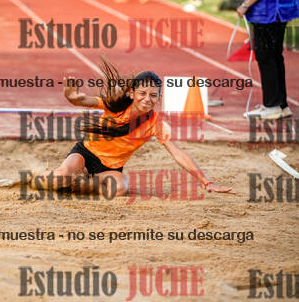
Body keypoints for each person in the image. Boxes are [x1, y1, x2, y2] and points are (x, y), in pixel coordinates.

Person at [30, 60, 235, 198]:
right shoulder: (115, 105)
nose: (147, 99)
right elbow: (82, 100)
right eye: (142, 93)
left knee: (120, 189)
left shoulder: (155, 123)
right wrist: (71, 96)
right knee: (60, 178)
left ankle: (83, 183)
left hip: (109, 168)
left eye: (153, 95)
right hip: (85, 154)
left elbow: (178, 154)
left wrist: (207, 182)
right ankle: (35, 179)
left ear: (159, 99)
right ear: (131, 93)